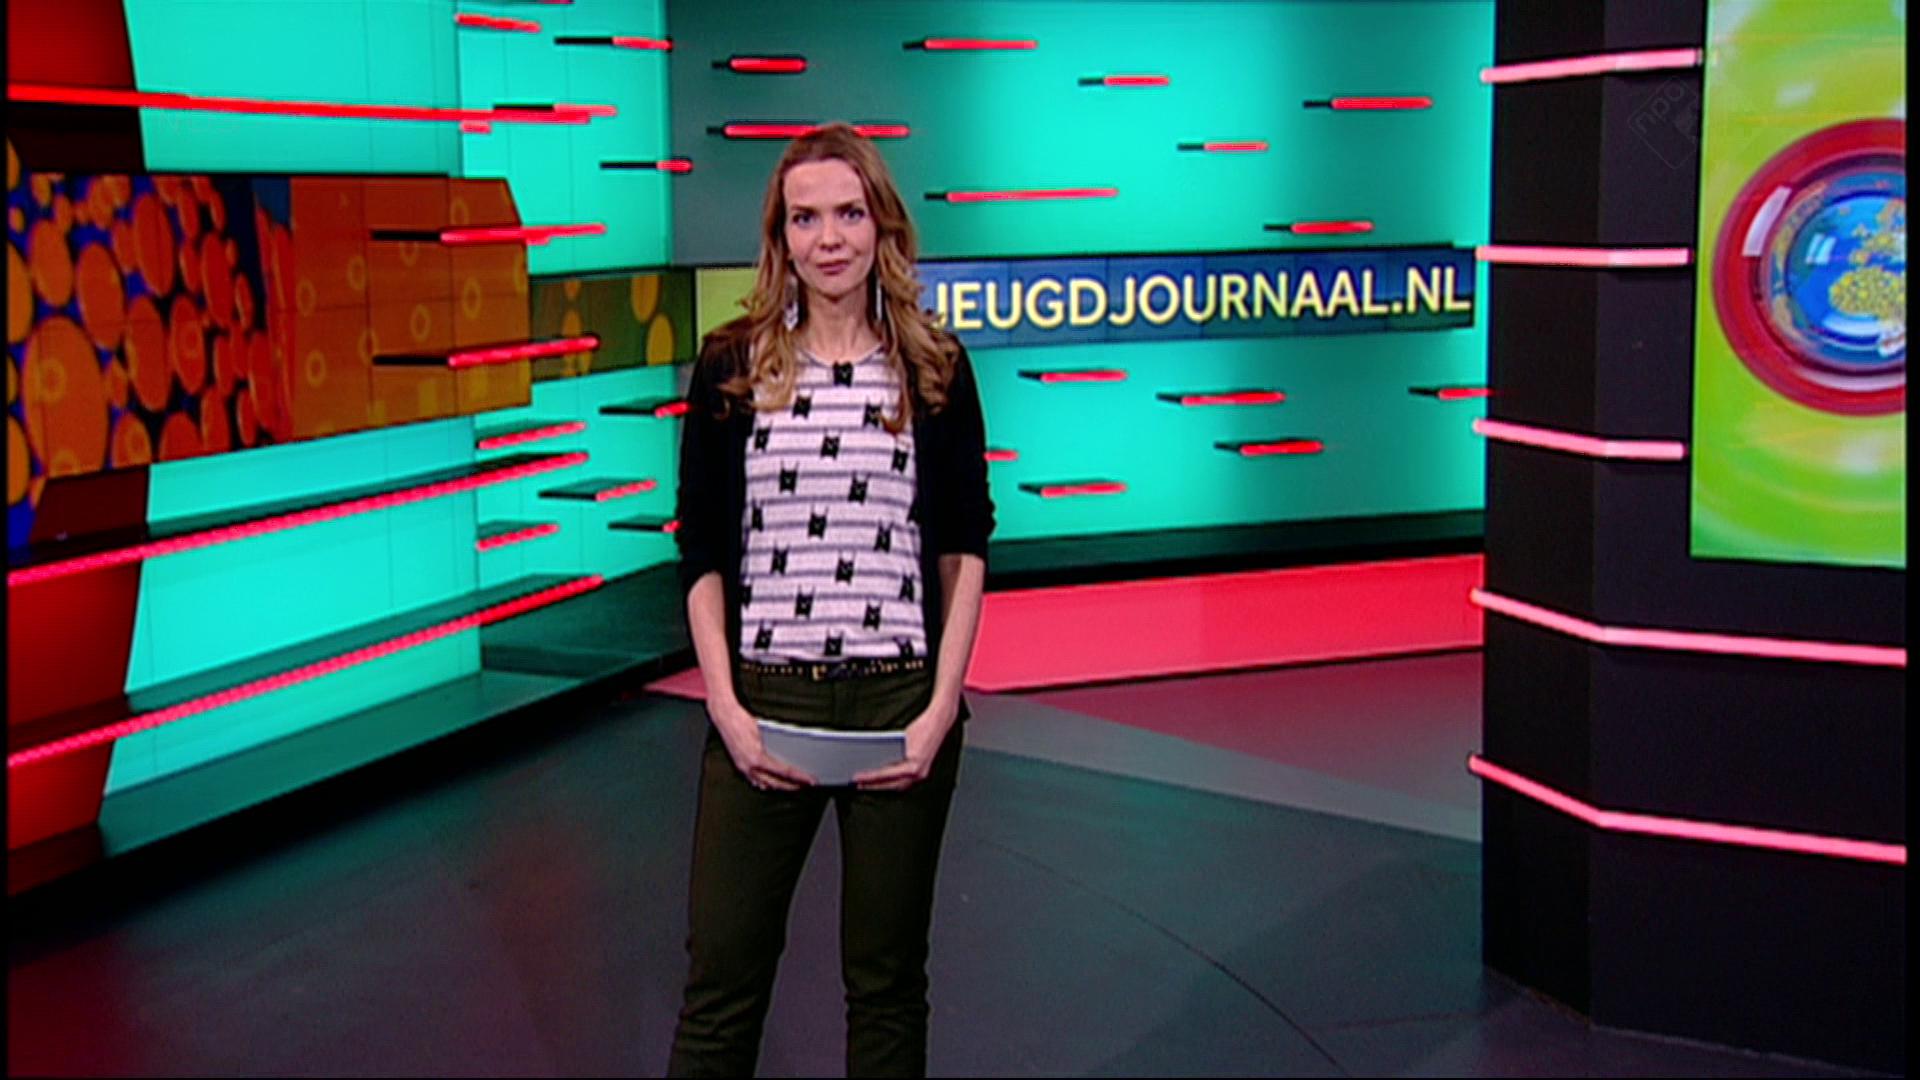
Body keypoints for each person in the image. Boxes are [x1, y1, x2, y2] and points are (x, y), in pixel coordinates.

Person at [666, 123, 994, 1078]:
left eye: (848, 213)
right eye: (805, 218)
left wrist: (939, 710)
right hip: (765, 702)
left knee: (886, 986)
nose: (829, 238)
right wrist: (726, 709)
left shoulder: (935, 366)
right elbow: (702, 550)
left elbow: (964, 547)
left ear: (881, 224)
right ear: (781, 237)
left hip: (900, 704)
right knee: (721, 986)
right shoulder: (732, 366)